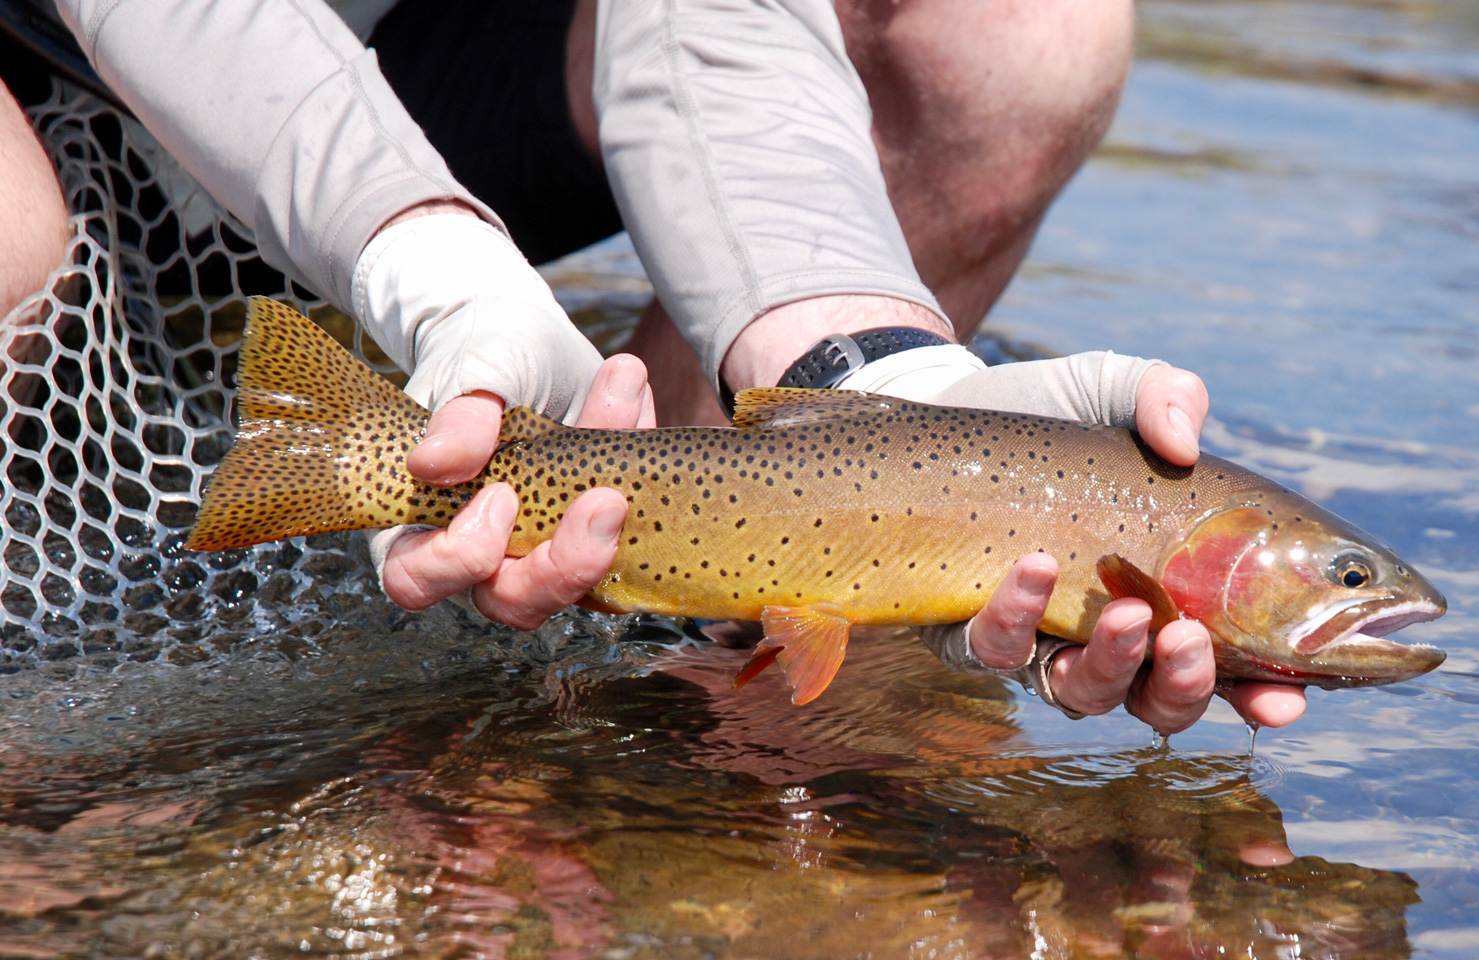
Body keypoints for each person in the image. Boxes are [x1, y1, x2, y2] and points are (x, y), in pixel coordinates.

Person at [0, 0, 1306, 733]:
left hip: (441, 56)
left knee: (1015, 33)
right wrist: (440, 269)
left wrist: (869, 362)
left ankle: (677, 668)